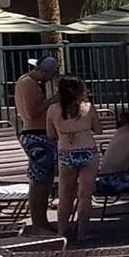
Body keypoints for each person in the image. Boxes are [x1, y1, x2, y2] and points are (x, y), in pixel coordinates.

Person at [46, 75, 102, 241]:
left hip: (66, 153)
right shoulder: (88, 107)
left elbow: (51, 134)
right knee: (85, 196)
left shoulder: (53, 110)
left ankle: (62, 232)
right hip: (87, 152)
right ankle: (82, 232)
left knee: (65, 196)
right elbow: (98, 130)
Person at [13, 53, 59, 234]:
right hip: (36, 135)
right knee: (39, 182)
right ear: (43, 71)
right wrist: (52, 100)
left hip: (39, 134)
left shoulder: (27, 82)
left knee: (44, 181)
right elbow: (32, 113)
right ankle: (38, 224)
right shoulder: (28, 84)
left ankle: (42, 222)